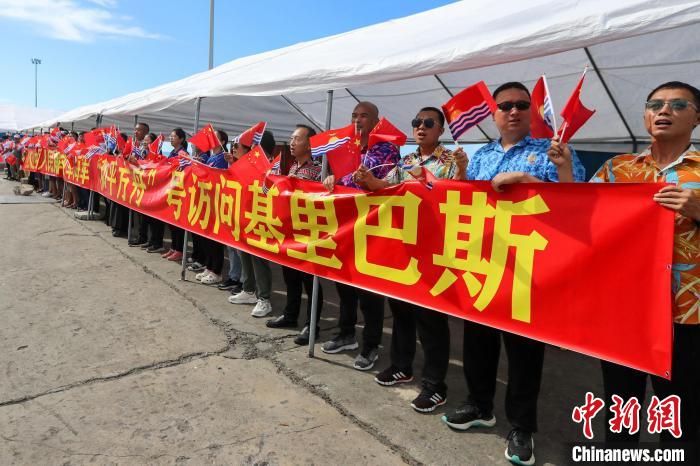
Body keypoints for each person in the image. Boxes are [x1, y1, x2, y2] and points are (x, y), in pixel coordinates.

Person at [440, 81, 585, 466]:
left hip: (529, 267)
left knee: (524, 351)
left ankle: (522, 426)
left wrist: (540, 178)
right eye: (505, 105)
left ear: (532, 110)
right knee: (477, 341)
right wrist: (456, 177)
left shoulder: (551, 152)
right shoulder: (482, 154)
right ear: (494, 112)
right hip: (484, 262)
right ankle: (479, 405)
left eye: (522, 104)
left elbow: (579, 205)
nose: (514, 111)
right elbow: (464, 202)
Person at [591, 81, 699, 457]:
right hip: (624, 311)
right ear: (645, 116)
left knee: (682, 413)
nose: (664, 110)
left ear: (697, 117)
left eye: (678, 104)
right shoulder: (616, 168)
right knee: (622, 407)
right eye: (655, 104)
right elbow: (581, 219)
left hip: (687, 315)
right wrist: (549, 180)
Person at [354, 106, 467, 412]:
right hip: (405, 246)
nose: (421, 127)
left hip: (435, 248)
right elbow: (385, 187)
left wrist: (461, 172)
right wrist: (366, 180)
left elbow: (460, 194)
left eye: (429, 123)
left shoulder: (449, 161)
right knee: (401, 309)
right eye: (417, 122)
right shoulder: (405, 161)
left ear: (441, 129)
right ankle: (402, 366)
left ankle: (435, 385)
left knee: (431, 319)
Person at [319, 101, 400, 371]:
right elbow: (342, 180)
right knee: (344, 285)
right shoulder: (345, 147)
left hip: (373, 228)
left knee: (369, 293)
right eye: (354, 115)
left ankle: (370, 345)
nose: (357, 119)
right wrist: (332, 180)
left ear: (375, 121)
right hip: (346, 227)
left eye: (364, 115)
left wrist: (353, 180)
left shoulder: (386, 148)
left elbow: (382, 180)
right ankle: (346, 335)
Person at [265, 124, 325, 345]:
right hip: (291, 233)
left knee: (311, 282)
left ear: (310, 144)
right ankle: (291, 315)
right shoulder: (292, 168)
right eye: (291, 138)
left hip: (310, 235)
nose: (291, 143)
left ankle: (312, 325)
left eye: (296, 139)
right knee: (291, 278)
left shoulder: (320, 170)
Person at [228, 131, 277, 318]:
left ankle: (264, 298)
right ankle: (248, 290)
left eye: (239, 146)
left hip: (262, 215)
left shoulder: (270, 165)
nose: (235, 149)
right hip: (246, 213)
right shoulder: (249, 164)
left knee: (258, 257)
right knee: (244, 252)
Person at [194, 129, 229, 285]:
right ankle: (208, 267)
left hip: (217, 202)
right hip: (207, 200)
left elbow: (217, 176)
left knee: (215, 240)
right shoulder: (211, 156)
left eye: (215, 137)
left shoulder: (223, 157)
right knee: (206, 237)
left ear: (222, 142)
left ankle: (216, 271)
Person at [152, 128, 189, 259]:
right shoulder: (173, 152)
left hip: (178, 192)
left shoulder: (183, 154)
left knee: (178, 224)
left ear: (181, 139)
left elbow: (183, 171)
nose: (171, 138)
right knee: (171, 222)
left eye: (173, 137)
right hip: (170, 191)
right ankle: (173, 247)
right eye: (171, 136)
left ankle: (179, 249)